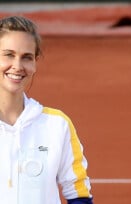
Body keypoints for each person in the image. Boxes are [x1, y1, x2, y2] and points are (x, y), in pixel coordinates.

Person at [0, 16, 93, 203]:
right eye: (9, 54)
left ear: (35, 63)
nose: (17, 66)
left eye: (26, 57)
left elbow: (78, 193)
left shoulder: (56, 125)